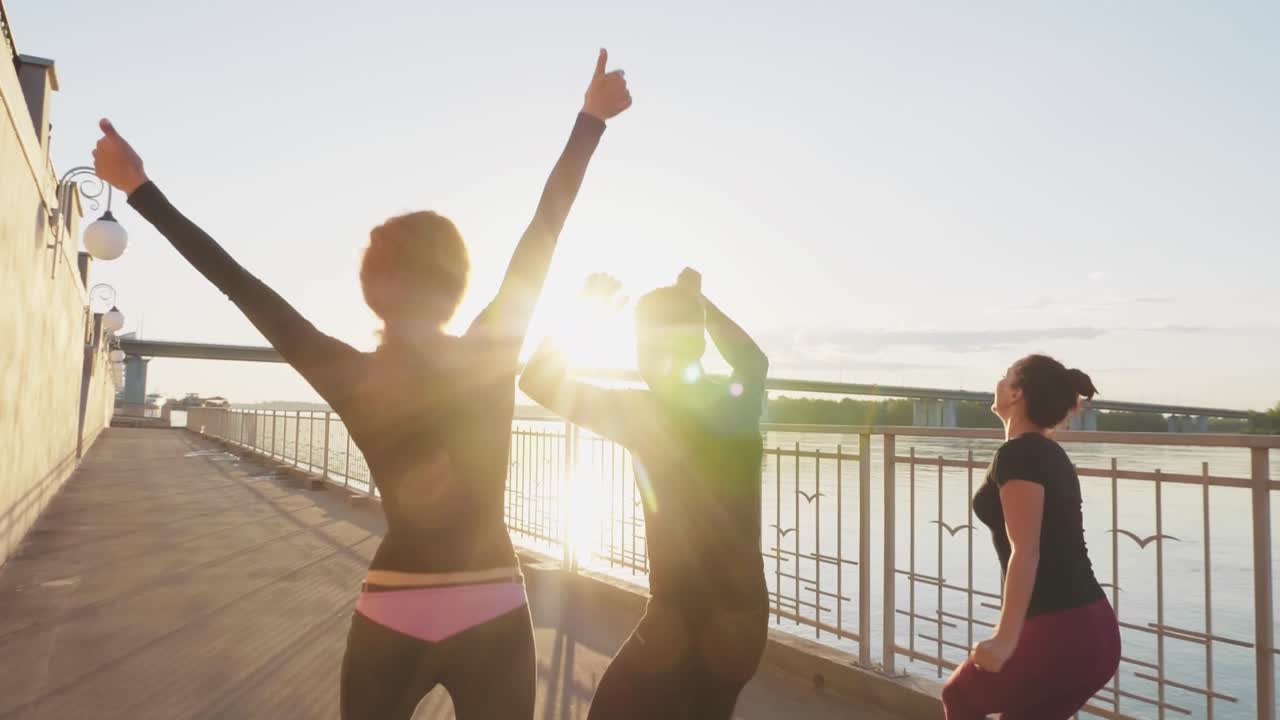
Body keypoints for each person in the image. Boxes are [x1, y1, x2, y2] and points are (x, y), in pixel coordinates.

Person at [91, 51, 631, 720]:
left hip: (393, 606)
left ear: (372, 292)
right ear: (458, 283)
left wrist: (139, 189)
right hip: (493, 605)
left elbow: (240, 286)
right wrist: (589, 119)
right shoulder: (490, 351)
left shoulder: (353, 375)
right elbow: (543, 229)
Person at [519, 269, 770, 720]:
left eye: (642, 342)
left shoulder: (643, 412)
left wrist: (583, 310)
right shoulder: (738, 401)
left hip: (681, 623)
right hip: (746, 618)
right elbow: (754, 361)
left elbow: (537, 379)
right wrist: (699, 304)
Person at [941, 354, 1121, 720]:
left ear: (1016, 393)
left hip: (1062, 631)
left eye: (1004, 376)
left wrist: (1005, 639)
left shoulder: (1018, 454)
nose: (998, 381)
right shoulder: (1051, 454)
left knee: (959, 696)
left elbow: (1026, 551)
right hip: (1095, 630)